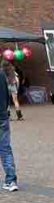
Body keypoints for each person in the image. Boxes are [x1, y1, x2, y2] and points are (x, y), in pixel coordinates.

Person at [0, 64, 18, 192]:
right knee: (5, 149)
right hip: (2, 116)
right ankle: (11, 181)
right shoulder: (1, 74)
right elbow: (7, 94)